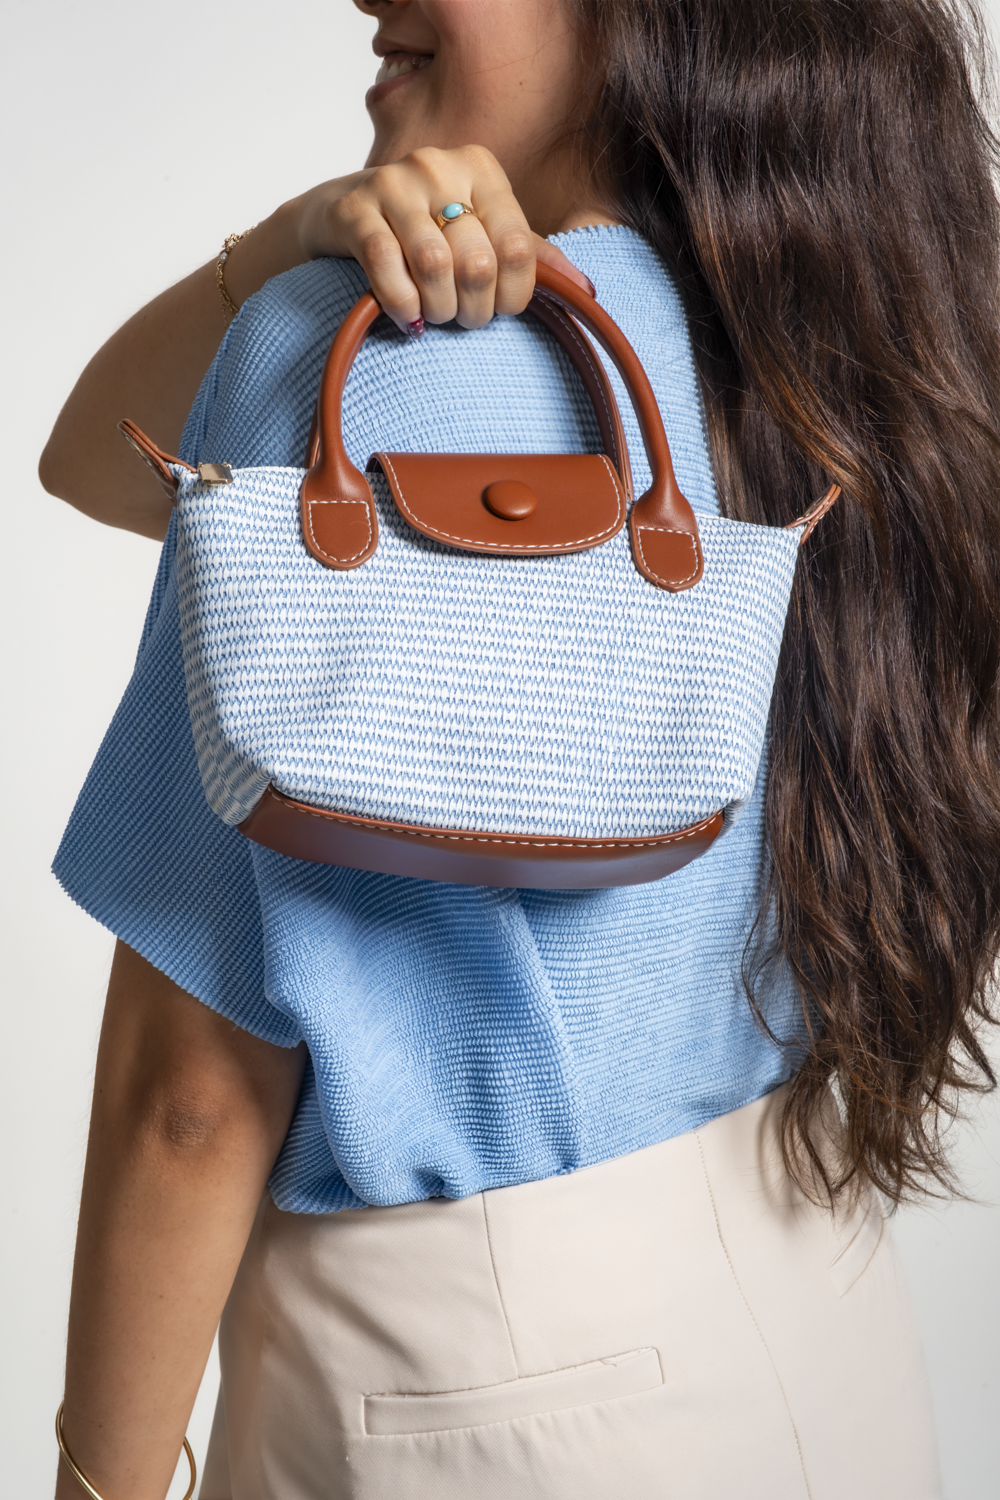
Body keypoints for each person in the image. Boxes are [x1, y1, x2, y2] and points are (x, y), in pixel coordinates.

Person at [40, 0, 1000, 1496]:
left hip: (469, 1393)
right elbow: (97, 459)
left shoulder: (374, 362)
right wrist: (295, 241)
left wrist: (97, 1481)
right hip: (820, 1326)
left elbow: (193, 1097)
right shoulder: (854, 343)